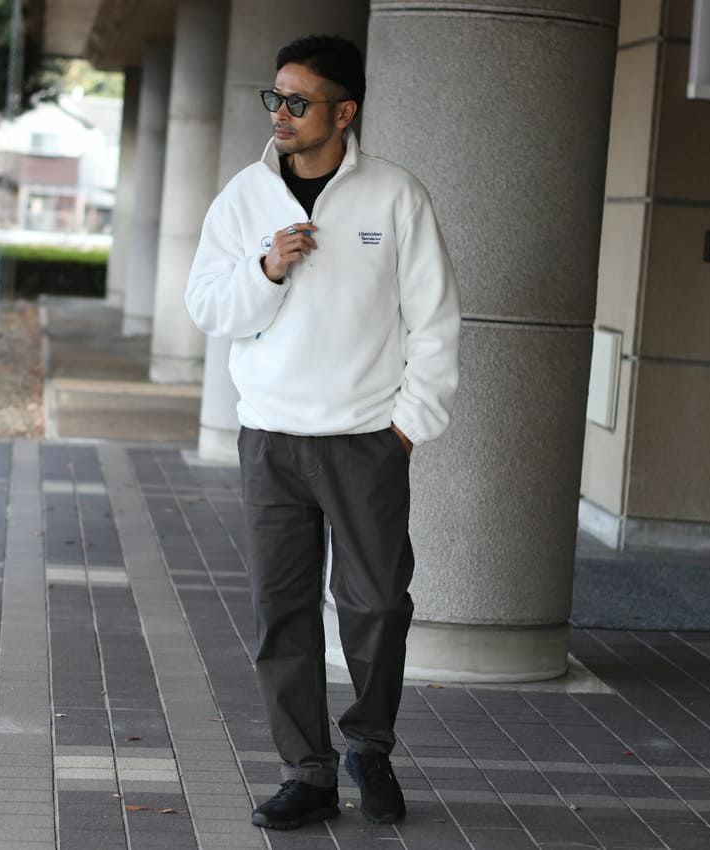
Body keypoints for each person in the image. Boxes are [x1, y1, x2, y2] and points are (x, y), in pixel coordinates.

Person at [185, 34, 460, 831]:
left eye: (298, 101)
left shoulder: (396, 196)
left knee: (377, 606)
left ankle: (369, 747)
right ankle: (306, 772)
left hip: (366, 439)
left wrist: (406, 428)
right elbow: (206, 307)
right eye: (275, 98)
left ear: (344, 113)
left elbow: (435, 321)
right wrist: (265, 270)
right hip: (271, 438)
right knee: (283, 612)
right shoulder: (244, 197)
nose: (281, 113)